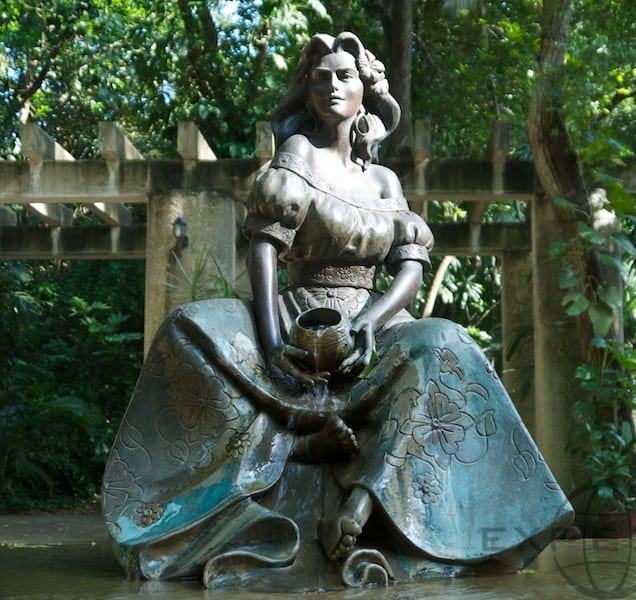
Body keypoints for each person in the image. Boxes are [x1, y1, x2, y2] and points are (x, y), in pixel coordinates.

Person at [102, 32, 573, 590]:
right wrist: (273, 343)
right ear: (306, 93)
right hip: (294, 311)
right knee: (188, 328)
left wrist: (371, 322)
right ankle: (295, 448)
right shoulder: (299, 154)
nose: (330, 86)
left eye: (344, 76)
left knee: (446, 343)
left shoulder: (385, 181)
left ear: (364, 93)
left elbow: (410, 267)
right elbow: (264, 247)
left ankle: (360, 505)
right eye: (319, 78)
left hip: (372, 323)